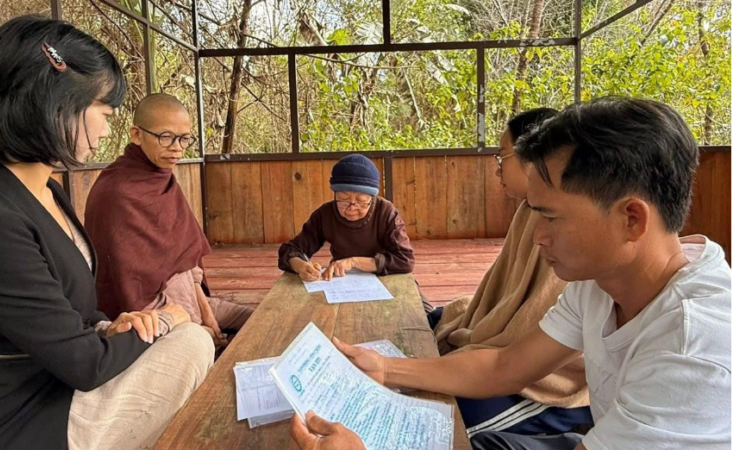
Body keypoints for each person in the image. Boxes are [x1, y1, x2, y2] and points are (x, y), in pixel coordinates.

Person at [292, 97, 732, 450]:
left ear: (631, 220)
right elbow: (506, 366)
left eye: (551, 217)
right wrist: (386, 368)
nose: (538, 237)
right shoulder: (601, 284)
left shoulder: (693, 349)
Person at [0, 16, 215, 450]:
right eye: (103, 112)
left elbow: (73, 317)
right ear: (57, 103)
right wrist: (164, 319)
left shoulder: (47, 191)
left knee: (190, 339)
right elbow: (85, 364)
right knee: (190, 341)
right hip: (7, 417)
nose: (106, 129)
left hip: (56, 381)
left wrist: (110, 326)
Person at [429, 109, 592, 436]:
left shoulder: (574, 224)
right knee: (435, 320)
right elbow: (508, 292)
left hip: (556, 383)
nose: (497, 169)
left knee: (445, 421)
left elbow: (533, 336)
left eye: (501, 157)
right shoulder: (529, 211)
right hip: (515, 361)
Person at [85, 94, 252, 348]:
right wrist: (198, 328)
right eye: (166, 137)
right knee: (207, 345)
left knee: (258, 318)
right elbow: (131, 291)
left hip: (190, 299)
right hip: (154, 317)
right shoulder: (117, 192)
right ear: (136, 134)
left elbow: (187, 262)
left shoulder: (162, 178)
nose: (177, 148)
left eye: (184, 139)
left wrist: (205, 312)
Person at [278, 154, 432, 312]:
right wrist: (300, 266)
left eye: (361, 201)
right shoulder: (325, 214)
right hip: (343, 281)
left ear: (372, 198)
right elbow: (291, 250)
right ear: (335, 195)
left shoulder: (386, 212)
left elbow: (405, 260)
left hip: (388, 277)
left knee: (426, 316)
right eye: (343, 200)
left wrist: (354, 262)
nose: (351, 208)